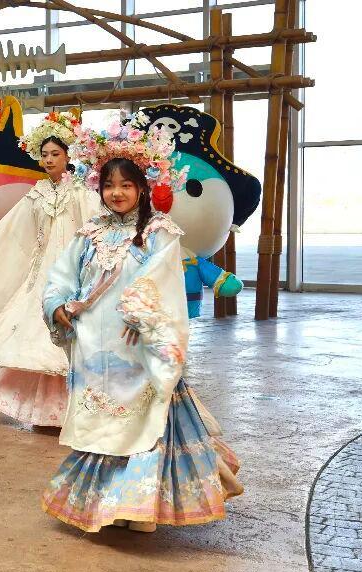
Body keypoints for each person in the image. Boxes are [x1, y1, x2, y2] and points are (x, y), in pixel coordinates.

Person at [39, 118, 242, 533]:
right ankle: (112, 506)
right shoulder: (89, 233)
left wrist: (140, 312)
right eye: (109, 185)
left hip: (138, 345)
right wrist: (57, 303)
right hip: (94, 349)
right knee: (103, 427)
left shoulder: (158, 232)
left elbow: (162, 280)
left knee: (146, 423)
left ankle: (141, 507)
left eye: (126, 185)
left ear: (144, 187)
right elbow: (61, 275)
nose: (117, 193)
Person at [0, 111, 100, 428]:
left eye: (55, 154)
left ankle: (79, 408)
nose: (49, 159)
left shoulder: (82, 192)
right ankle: (45, 412)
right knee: (36, 336)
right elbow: (13, 230)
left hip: (73, 272)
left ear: (68, 156)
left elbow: (94, 227)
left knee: (73, 337)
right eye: (45, 154)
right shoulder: (37, 193)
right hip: (40, 275)